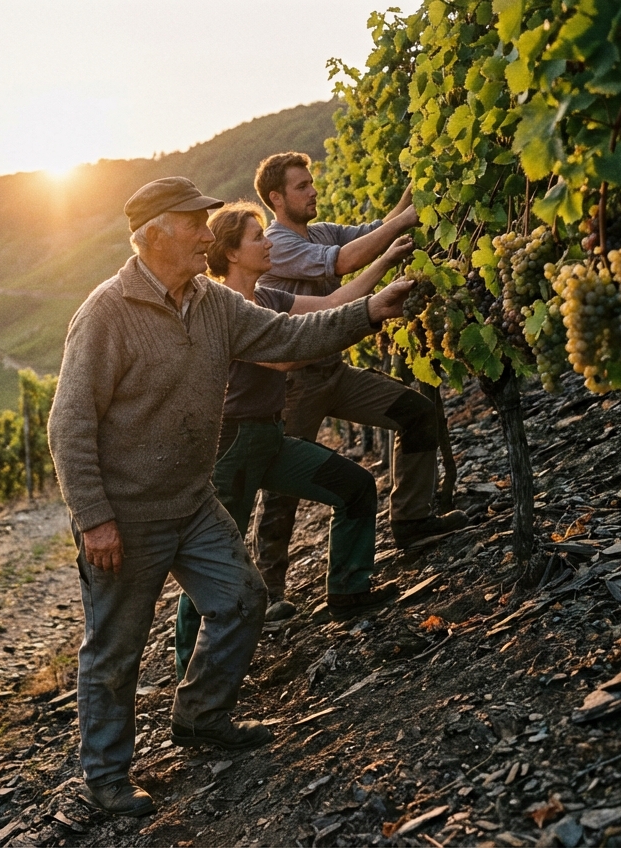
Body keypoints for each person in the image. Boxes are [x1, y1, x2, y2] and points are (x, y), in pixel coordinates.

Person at [47, 177, 418, 817]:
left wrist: (367, 312)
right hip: (127, 518)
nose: (206, 235)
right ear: (156, 234)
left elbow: (288, 337)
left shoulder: (212, 303)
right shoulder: (107, 313)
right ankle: (106, 778)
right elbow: (69, 424)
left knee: (243, 599)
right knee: (115, 651)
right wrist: (94, 518)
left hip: (192, 503)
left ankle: (200, 716)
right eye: (195, 223)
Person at [172, 201, 414, 678]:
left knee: (355, 487)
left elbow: (328, 306)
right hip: (233, 447)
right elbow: (287, 354)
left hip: (270, 438)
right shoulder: (225, 310)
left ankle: (348, 591)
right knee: (213, 556)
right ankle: (190, 672)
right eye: (257, 237)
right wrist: (366, 316)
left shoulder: (267, 296)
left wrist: (385, 263)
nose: (268, 244)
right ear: (231, 253)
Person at [250, 151, 468, 608]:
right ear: (276, 198)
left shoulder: (320, 232)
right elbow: (344, 263)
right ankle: (268, 592)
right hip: (296, 386)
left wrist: (416, 187)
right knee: (281, 488)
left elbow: (377, 229)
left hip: (334, 371)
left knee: (416, 413)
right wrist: (402, 224)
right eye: (302, 186)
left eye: (311, 182)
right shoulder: (277, 243)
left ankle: (411, 520)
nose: (313, 191)